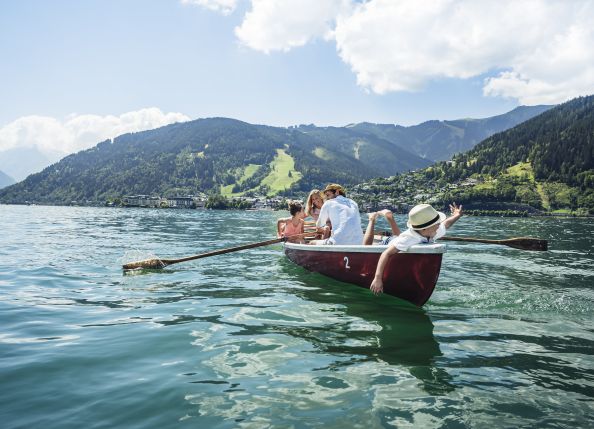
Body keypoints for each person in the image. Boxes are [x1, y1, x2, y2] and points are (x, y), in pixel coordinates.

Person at [370, 203, 463, 295]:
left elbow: (446, 224)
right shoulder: (409, 239)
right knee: (367, 245)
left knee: (399, 239)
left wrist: (457, 215)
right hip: (387, 243)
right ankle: (372, 219)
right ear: (424, 229)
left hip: (399, 240)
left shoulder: (432, 230)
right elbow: (386, 253)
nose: (439, 225)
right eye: (437, 224)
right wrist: (377, 278)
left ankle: (390, 217)